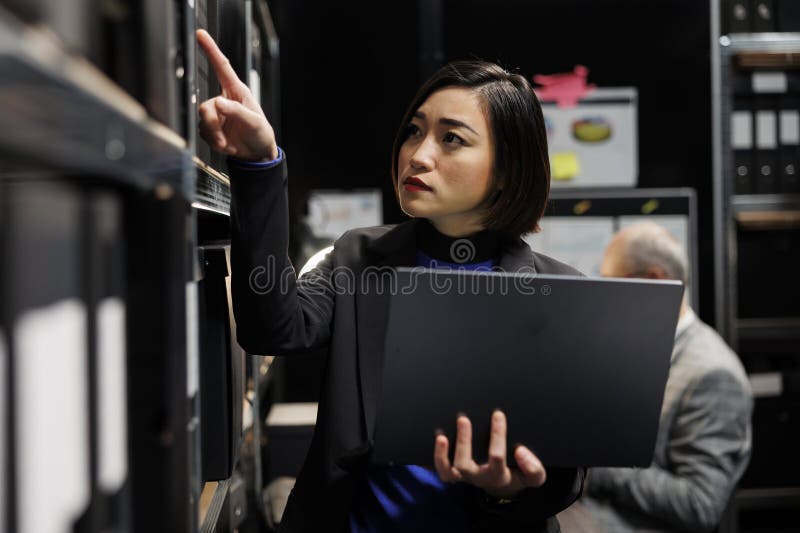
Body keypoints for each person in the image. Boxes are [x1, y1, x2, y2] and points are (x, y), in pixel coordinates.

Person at [196, 29, 584, 533]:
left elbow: (566, 473)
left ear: (508, 170)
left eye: (452, 139)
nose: (418, 155)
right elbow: (273, 327)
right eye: (414, 131)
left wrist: (506, 490)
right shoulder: (359, 257)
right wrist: (258, 164)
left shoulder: (558, 295)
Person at [576, 222, 753, 532]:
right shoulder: (633, 346)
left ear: (654, 280)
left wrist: (597, 466)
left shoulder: (713, 375)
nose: (603, 294)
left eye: (609, 282)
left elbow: (699, 503)